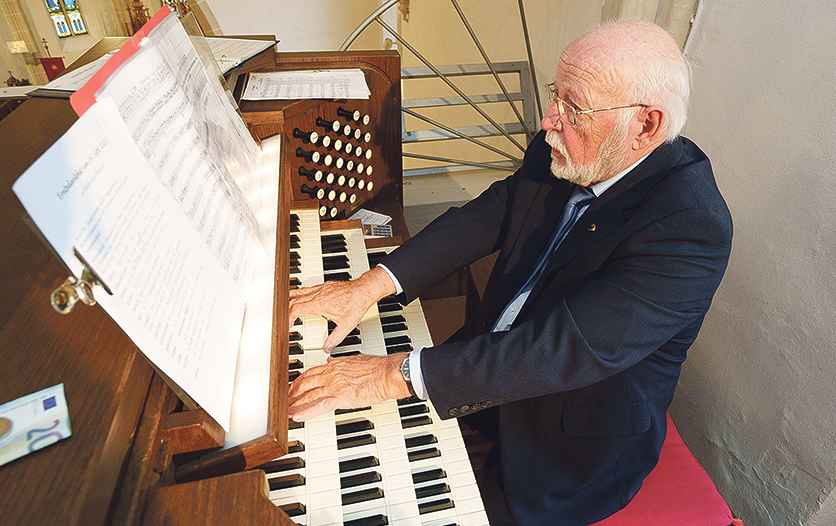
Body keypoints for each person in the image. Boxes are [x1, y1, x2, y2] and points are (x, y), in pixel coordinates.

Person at [287, 20, 732, 525]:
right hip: (482, 369)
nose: (549, 120)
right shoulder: (569, 144)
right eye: (554, 96)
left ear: (645, 127)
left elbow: (564, 348)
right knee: (330, 440)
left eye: (573, 107)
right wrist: (372, 283)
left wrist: (392, 373)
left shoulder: (690, 228)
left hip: (564, 446)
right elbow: (495, 210)